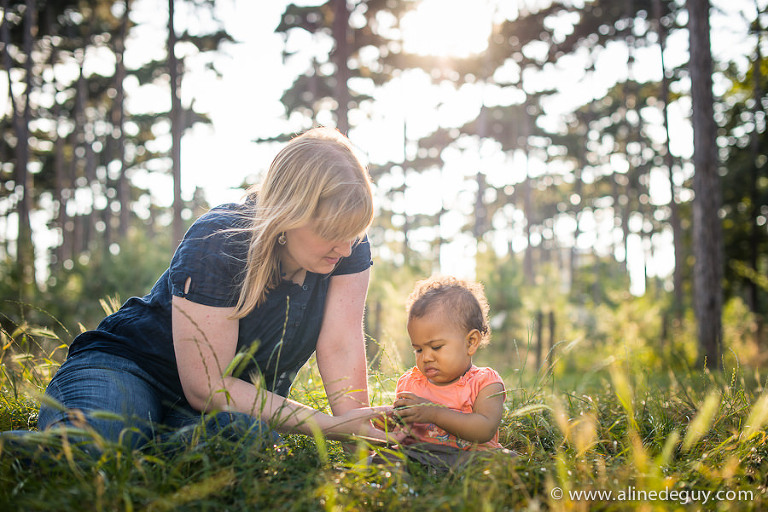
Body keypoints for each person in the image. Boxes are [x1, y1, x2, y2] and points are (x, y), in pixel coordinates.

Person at [35, 127, 399, 450]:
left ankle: (143, 449)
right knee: (91, 449)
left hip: (221, 408)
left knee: (246, 439)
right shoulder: (220, 239)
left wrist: (363, 442)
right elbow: (206, 386)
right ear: (288, 213)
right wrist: (327, 426)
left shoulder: (345, 246)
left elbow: (340, 344)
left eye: (353, 233)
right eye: (332, 233)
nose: (346, 248)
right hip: (130, 369)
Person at [378, 275, 511, 470]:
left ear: (471, 342)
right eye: (418, 349)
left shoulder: (485, 383)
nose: (426, 357)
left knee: (504, 461)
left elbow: (485, 430)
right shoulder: (411, 382)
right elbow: (402, 431)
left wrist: (433, 413)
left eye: (436, 347)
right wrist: (389, 422)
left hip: (469, 458)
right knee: (385, 457)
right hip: (420, 455)